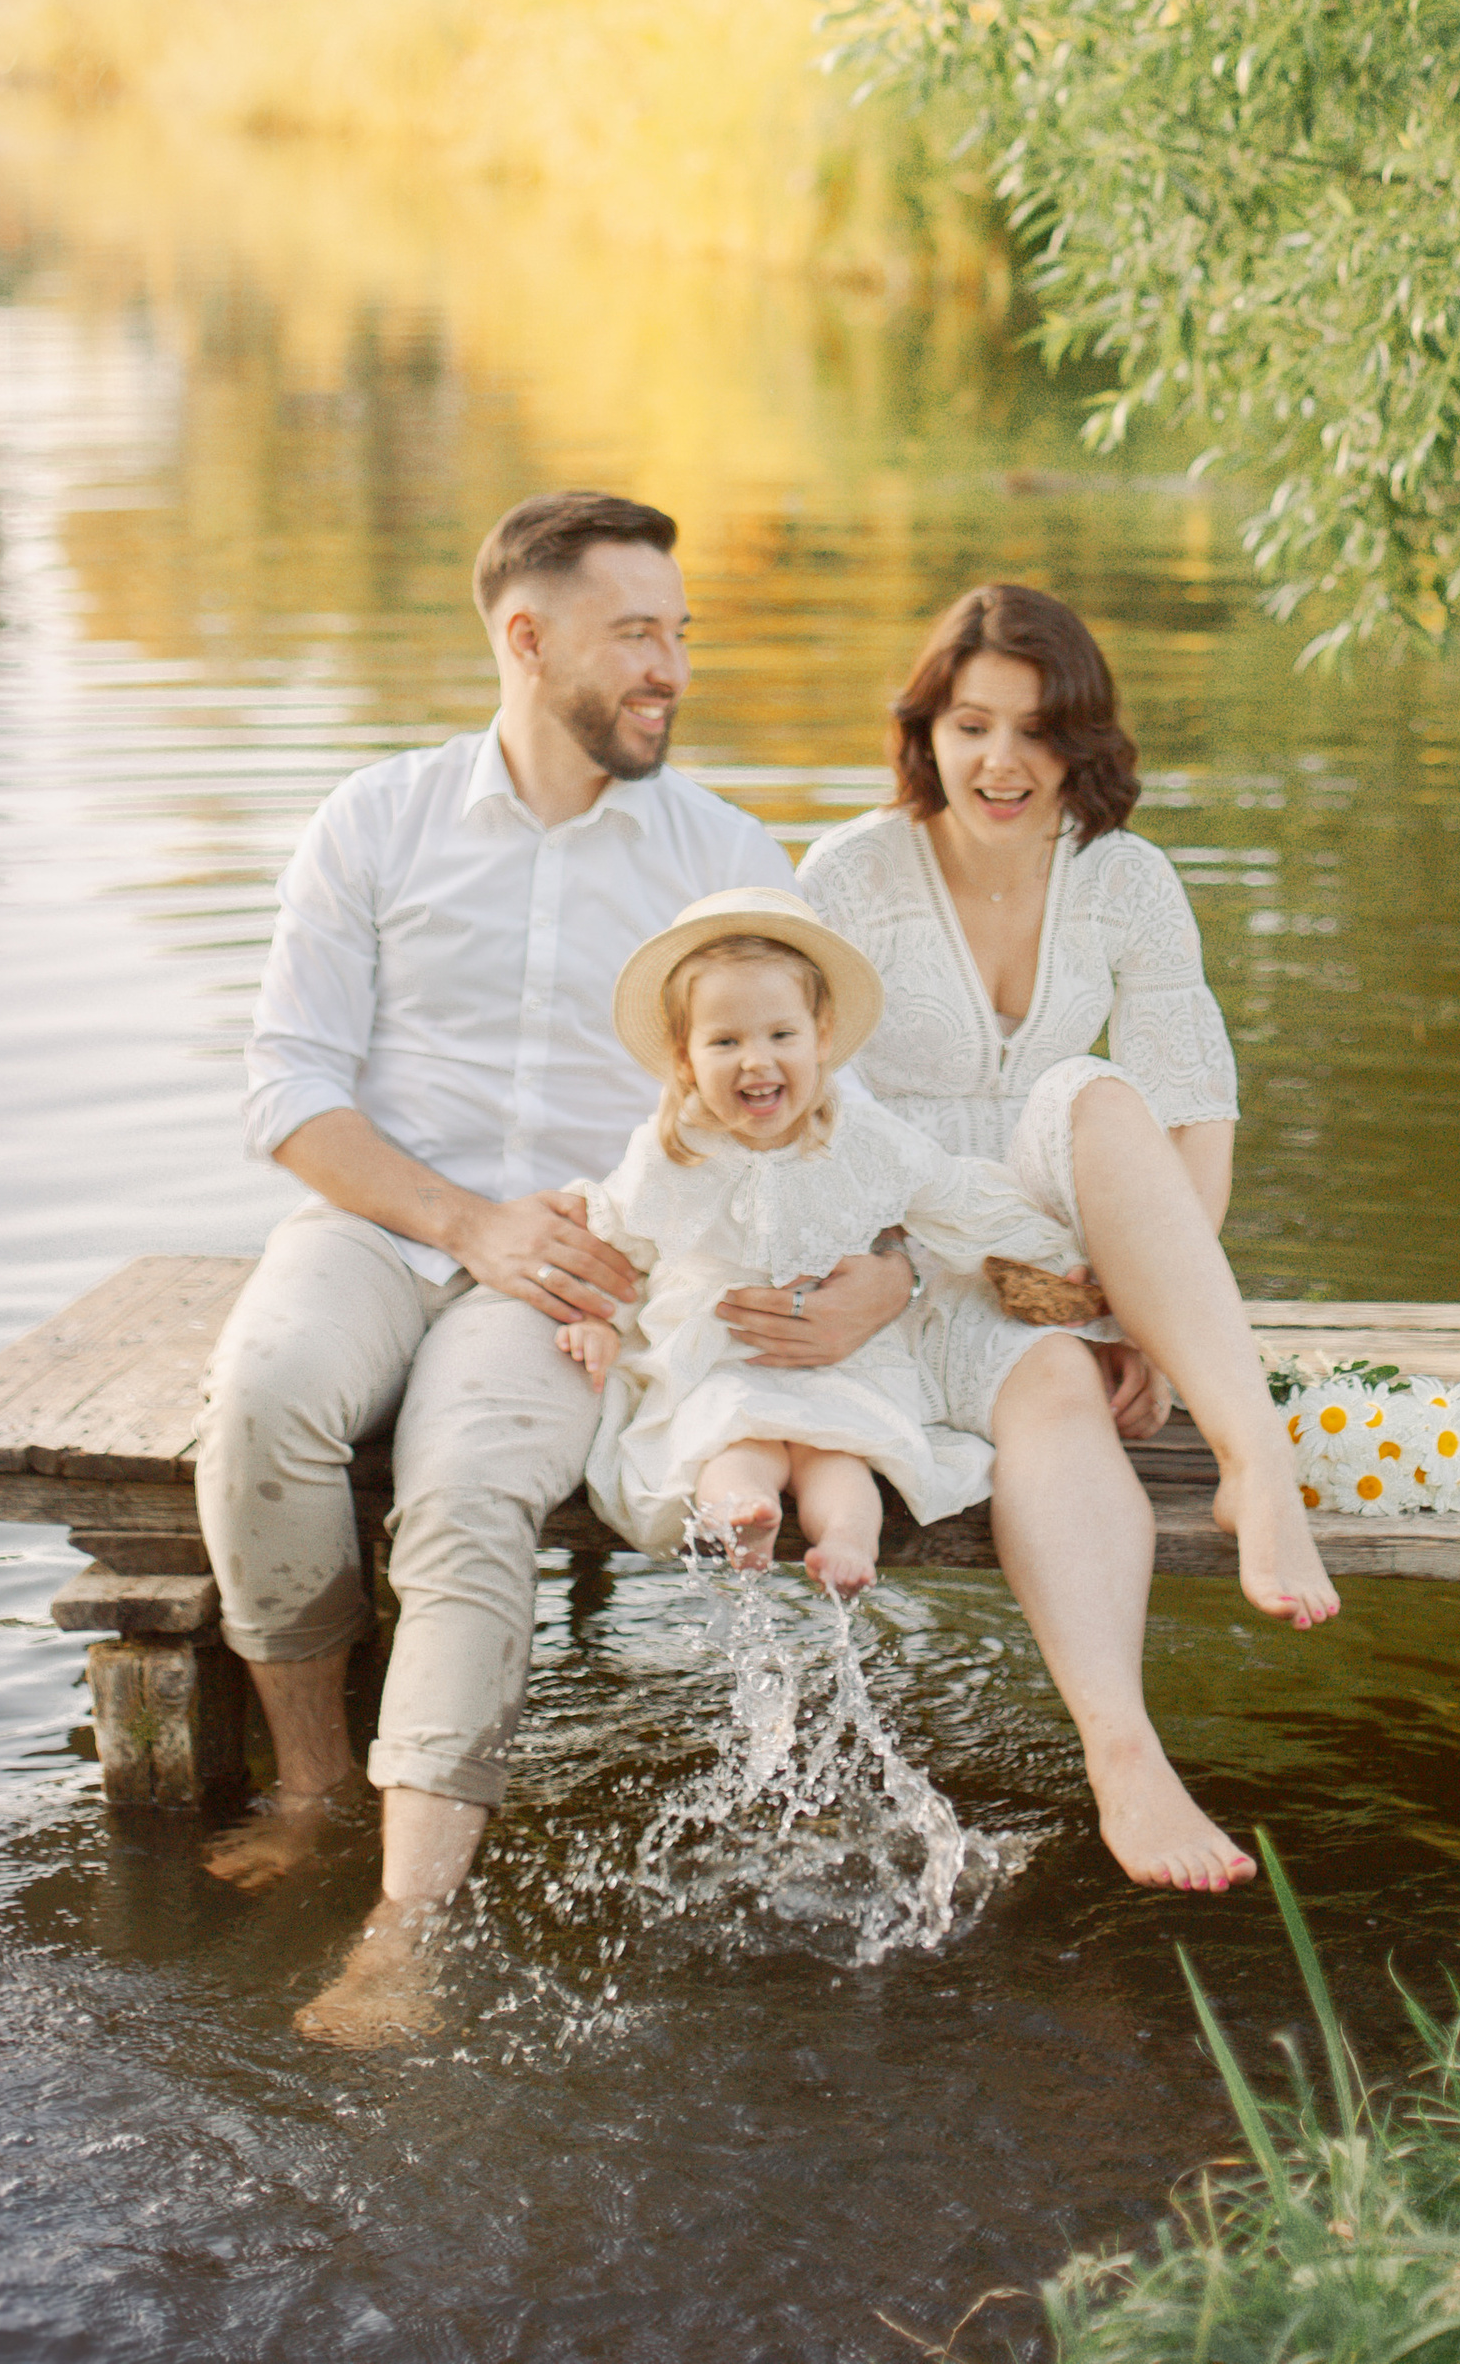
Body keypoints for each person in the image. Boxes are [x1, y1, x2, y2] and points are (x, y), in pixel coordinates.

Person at [194, 488, 916, 2044]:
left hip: (594, 1267)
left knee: (466, 1491)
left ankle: (405, 1930)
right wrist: (463, 1224)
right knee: (260, 1398)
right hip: (385, 1224)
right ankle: (317, 1786)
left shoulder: (725, 852)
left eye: (679, 634)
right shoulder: (373, 822)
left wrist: (883, 1271)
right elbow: (287, 1093)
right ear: (526, 640)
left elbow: (812, 1107)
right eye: (635, 635)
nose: (671, 667)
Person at [795, 582, 1335, 1896]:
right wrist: (928, 1275)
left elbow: (1192, 1123)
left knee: (1095, 1094)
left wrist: (1141, 1311)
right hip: (898, 1250)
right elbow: (802, 1122)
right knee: (1049, 1390)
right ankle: (1125, 1755)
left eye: (1036, 732)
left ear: (1079, 743)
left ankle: (1251, 1461)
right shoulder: (850, 876)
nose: (1001, 762)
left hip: (1057, 1241)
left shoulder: (1126, 880)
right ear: (925, 731)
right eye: (971, 725)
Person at [555, 891, 1080, 1594]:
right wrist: (594, 1318)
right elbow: (617, 1247)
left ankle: (846, 1544)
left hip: (839, 1361)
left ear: (822, 1038)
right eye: (725, 1042)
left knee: (839, 1454)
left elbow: (962, 1205)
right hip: (717, 1357)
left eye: (780, 1035)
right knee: (728, 1440)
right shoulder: (668, 1155)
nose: (755, 1061)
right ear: (684, 1059)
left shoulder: (865, 1144)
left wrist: (1058, 1255)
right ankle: (747, 1513)